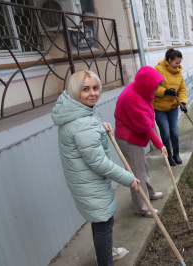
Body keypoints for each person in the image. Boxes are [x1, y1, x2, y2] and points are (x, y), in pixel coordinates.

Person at [51, 70, 140, 266]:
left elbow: (85, 130)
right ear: (75, 92)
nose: (92, 93)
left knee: (100, 222)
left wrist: (99, 125)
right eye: (85, 89)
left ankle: (104, 254)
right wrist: (128, 178)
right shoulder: (83, 124)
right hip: (91, 184)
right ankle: (105, 260)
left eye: (95, 88)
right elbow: (99, 162)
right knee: (104, 225)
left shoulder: (74, 112)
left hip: (84, 182)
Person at [114, 66, 168, 218]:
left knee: (142, 167)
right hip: (129, 139)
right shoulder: (132, 98)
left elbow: (147, 111)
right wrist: (160, 145)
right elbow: (146, 127)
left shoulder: (140, 89)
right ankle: (142, 207)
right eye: (155, 87)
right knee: (136, 173)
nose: (156, 90)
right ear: (147, 84)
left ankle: (149, 193)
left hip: (135, 135)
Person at [153, 48, 188, 166]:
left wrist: (183, 103)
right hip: (160, 108)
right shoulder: (158, 69)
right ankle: (168, 155)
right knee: (165, 131)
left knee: (174, 131)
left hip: (173, 106)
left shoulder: (179, 72)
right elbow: (153, 87)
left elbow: (182, 89)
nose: (178, 66)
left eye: (179, 63)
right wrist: (166, 91)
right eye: (176, 63)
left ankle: (176, 154)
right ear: (169, 60)